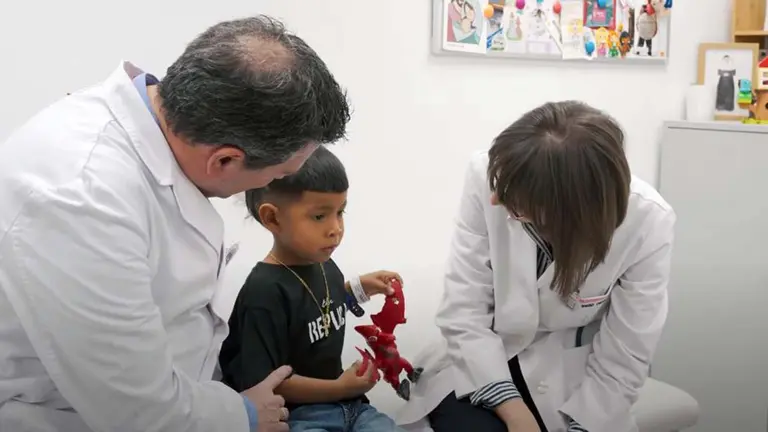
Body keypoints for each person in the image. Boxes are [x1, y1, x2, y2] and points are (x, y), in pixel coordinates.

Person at [0, 15, 350, 432]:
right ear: (223, 159)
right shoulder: (81, 196)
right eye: (276, 176)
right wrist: (243, 415)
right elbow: (139, 410)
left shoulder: (154, 133)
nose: (270, 185)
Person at [397, 101, 675, 432]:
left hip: (574, 375)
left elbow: (626, 352)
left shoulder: (648, 222)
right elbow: (464, 312)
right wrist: (515, 413)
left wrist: (583, 426)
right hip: (482, 359)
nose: (496, 201)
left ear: (569, 209)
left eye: (519, 203)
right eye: (500, 184)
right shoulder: (484, 176)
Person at [219, 146, 405, 432]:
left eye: (340, 213)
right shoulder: (264, 292)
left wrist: (359, 288)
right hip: (294, 416)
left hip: (351, 407)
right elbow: (267, 382)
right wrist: (339, 387)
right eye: (319, 216)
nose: (335, 229)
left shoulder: (323, 264)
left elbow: (319, 305)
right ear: (272, 218)